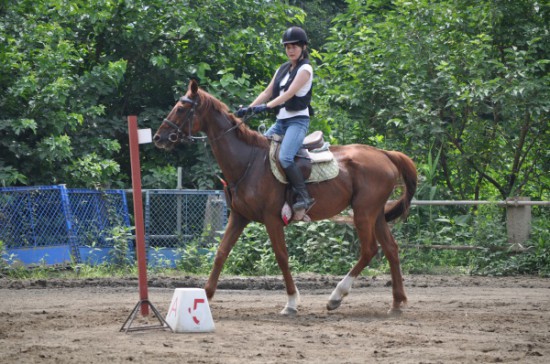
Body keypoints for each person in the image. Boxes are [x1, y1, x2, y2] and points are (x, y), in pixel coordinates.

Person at [236, 26, 315, 212]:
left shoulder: (306, 69)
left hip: (297, 121)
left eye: (295, 46)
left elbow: (288, 94)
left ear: (303, 47)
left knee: (285, 157)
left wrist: (267, 107)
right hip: (281, 123)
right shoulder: (282, 69)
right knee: (259, 152)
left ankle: (304, 195)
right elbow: (267, 92)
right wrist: (249, 109)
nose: (291, 50)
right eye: (288, 46)